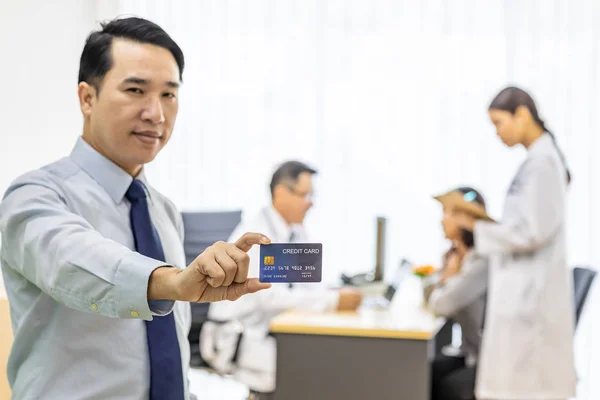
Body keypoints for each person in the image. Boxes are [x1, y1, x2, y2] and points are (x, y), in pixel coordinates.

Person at [0, 17, 271, 400]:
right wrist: (171, 282)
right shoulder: (35, 195)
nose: (156, 115)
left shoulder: (163, 211)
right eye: (136, 90)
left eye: (169, 95)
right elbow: (74, 259)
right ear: (87, 98)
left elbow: (165, 350)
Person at [200, 160, 363, 399]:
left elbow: (309, 284)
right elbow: (268, 296)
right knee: (310, 372)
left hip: (274, 332)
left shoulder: (297, 231)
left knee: (328, 359)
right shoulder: (256, 236)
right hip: (240, 336)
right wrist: (332, 301)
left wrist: (334, 293)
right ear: (280, 193)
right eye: (305, 195)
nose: (310, 203)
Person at [455, 86, 576, 400]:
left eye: (499, 123)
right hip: (524, 297)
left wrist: (479, 229)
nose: (497, 133)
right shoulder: (537, 161)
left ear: (521, 114)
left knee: (524, 389)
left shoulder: (543, 163)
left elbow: (532, 232)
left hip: (530, 304)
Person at [425, 187, 490, 400]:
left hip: (490, 362)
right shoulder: (461, 259)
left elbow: (441, 305)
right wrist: (446, 276)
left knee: (448, 386)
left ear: (468, 218)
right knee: (427, 372)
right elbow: (432, 299)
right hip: (471, 354)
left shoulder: (482, 260)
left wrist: (448, 278)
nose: (442, 220)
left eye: (448, 212)